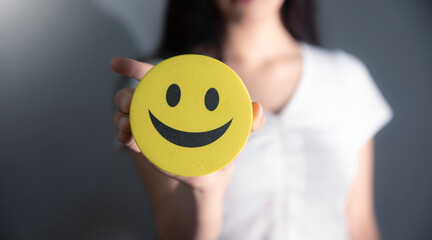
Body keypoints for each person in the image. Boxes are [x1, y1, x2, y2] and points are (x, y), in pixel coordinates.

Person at [110, 0, 392, 239]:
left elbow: (361, 224)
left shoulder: (347, 78)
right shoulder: (161, 89)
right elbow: (174, 231)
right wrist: (207, 190)